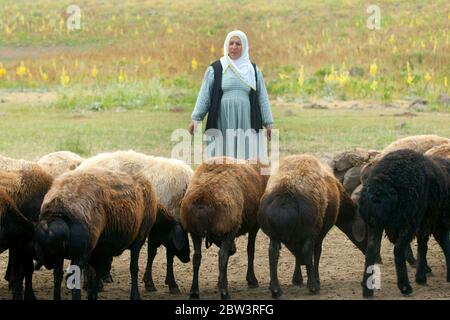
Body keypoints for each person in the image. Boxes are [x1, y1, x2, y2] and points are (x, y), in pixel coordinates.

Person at [188, 30, 273, 160]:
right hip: (223, 118)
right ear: (226, 46)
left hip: (247, 119)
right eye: (231, 43)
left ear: (244, 47)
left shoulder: (253, 71)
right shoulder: (216, 69)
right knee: (221, 158)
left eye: (238, 44)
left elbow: (262, 98)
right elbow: (204, 96)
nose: (234, 47)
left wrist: (268, 123)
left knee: (247, 157)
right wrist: (196, 118)